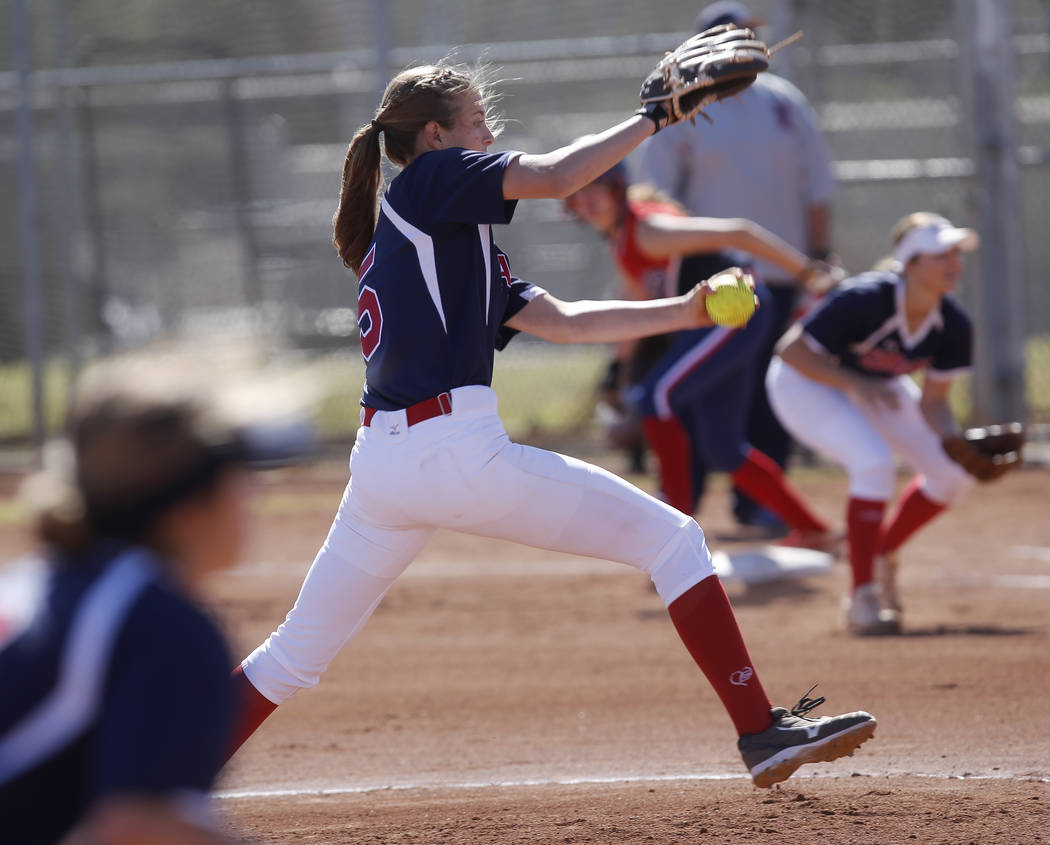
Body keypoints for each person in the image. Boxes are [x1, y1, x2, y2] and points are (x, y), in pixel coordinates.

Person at [224, 59, 875, 789]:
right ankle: (761, 731)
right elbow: (563, 175)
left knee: (291, 656)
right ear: (435, 136)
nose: (489, 132)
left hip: (384, 463)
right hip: (452, 451)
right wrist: (655, 117)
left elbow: (561, 321)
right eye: (476, 120)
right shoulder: (432, 182)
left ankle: (155, 777)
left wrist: (685, 311)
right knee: (674, 538)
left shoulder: (433, 225)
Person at [0, 363, 283, 843]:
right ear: (186, 510)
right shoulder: (159, 624)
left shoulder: (37, 581)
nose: (251, 491)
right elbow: (139, 828)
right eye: (238, 471)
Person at [637, 0, 838, 534]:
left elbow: (816, 188)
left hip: (781, 275)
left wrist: (817, 258)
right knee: (694, 394)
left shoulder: (786, 102)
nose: (743, 46)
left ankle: (760, 509)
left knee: (769, 393)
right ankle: (685, 507)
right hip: (711, 279)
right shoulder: (682, 107)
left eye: (748, 36)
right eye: (732, 37)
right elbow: (655, 195)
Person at [563, 163, 839, 547]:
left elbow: (740, 231)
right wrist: (617, 372)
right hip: (720, 319)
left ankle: (676, 534)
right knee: (723, 447)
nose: (587, 200)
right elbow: (636, 303)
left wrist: (808, 272)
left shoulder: (647, 230)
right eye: (579, 191)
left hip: (736, 311)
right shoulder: (622, 239)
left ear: (618, 190)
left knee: (656, 399)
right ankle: (811, 529)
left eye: (598, 188)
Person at [766, 212, 980, 635]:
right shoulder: (865, 298)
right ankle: (862, 598)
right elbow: (791, 351)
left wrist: (956, 442)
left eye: (956, 253)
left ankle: (882, 553)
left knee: (955, 474)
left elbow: (934, 402)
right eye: (941, 253)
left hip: (875, 387)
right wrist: (856, 382)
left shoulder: (953, 324)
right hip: (803, 385)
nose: (953, 262)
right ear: (911, 262)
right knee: (873, 462)